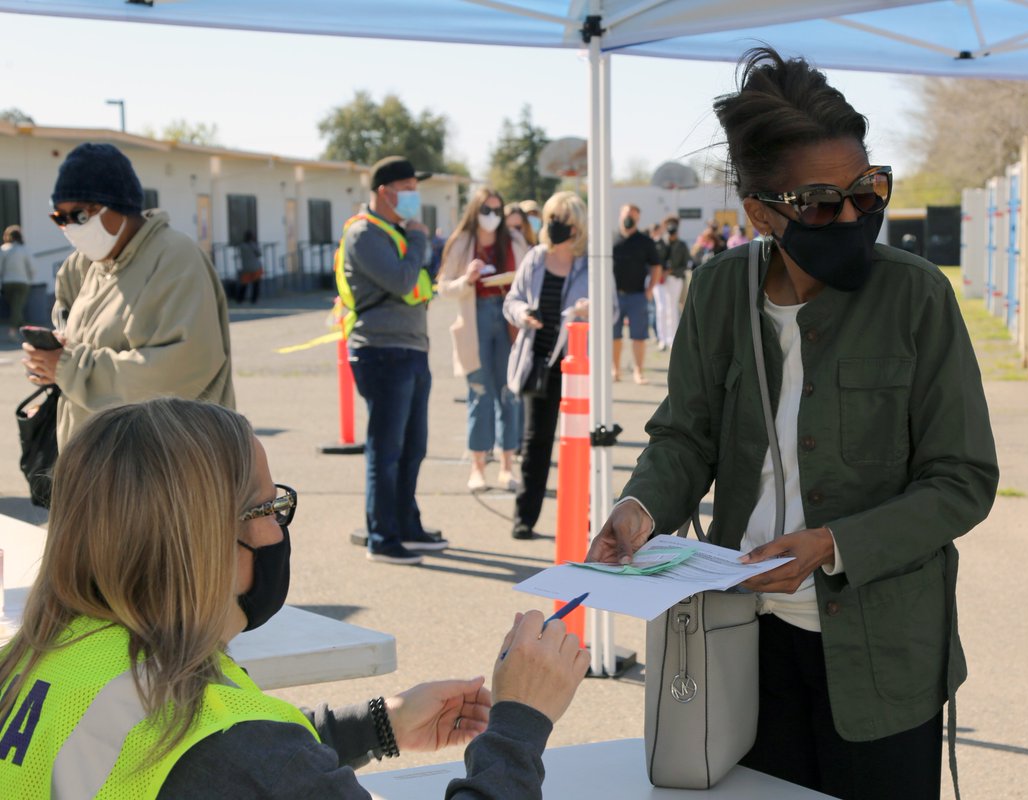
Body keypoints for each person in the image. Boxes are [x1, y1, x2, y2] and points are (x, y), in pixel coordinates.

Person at [586, 47, 998, 799]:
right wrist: (639, 508)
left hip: (883, 658)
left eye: (867, 192)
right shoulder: (716, 293)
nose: (850, 216)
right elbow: (685, 434)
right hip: (737, 642)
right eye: (819, 202)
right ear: (760, 212)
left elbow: (962, 481)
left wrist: (834, 545)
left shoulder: (918, 298)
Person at [0, 398, 590, 798]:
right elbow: (244, 763)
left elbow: (207, 762)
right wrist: (519, 724)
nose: (278, 532)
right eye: (267, 508)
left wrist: (379, 724)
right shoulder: (237, 746)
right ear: (204, 543)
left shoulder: (45, 658)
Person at [23, 142, 234, 447]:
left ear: (119, 206)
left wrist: (68, 368)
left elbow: (176, 376)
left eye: (80, 216)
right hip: (98, 465)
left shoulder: (175, 258)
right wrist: (50, 365)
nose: (70, 228)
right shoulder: (84, 266)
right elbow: (70, 339)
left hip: (167, 467)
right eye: (60, 218)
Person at [336, 155, 445, 565]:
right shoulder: (365, 234)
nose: (415, 195)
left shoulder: (396, 233)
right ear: (385, 191)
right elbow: (401, 280)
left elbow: (421, 281)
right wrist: (419, 239)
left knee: (413, 446)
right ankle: (381, 536)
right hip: (381, 352)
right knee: (386, 450)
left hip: (412, 348)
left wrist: (416, 242)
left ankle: (406, 524)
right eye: (409, 187)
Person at [504, 191, 594, 540]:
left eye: (563, 221)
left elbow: (611, 311)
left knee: (583, 445)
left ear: (578, 226)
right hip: (538, 363)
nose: (555, 226)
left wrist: (591, 310)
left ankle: (586, 514)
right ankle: (524, 517)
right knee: (535, 443)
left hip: (577, 368)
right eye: (551, 218)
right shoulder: (535, 258)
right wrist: (523, 314)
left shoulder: (590, 263)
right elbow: (512, 299)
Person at [437, 188, 530, 493]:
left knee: (509, 393)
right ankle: (478, 467)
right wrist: (467, 279)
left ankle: (507, 465)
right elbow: (444, 288)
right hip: (474, 320)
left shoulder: (514, 240)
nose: (492, 216)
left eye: (497, 210)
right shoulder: (461, 242)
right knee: (480, 393)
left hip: (508, 322)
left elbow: (532, 277)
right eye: (486, 210)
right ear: (475, 210)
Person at [611, 203, 662, 384]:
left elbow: (656, 266)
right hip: (614, 296)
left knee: (639, 336)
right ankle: (615, 370)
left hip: (638, 296)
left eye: (632, 214)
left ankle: (638, 372)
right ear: (620, 215)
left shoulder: (645, 241)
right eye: (626, 213)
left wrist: (650, 290)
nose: (628, 217)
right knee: (614, 335)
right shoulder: (611, 237)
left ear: (638, 218)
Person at [652, 215, 690, 351]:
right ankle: (662, 338)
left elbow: (686, 264)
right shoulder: (659, 243)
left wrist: (671, 270)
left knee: (672, 308)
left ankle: (672, 338)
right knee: (661, 308)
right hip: (659, 279)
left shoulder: (681, 245)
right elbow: (654, 260)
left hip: (675, 277)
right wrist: (661, 271)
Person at [1, 224, 34, 339]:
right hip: (22, 282)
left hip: (7, 282)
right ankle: (14, 331)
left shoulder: (3, 249)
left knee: (16, 307)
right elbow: (32, 267)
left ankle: (24, 331)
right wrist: (31, 279)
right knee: (17, 307)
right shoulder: (24, 249)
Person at [235, 229, 264, 305]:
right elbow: (259, 254)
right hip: (255, 268)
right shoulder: (253, 245)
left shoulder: (241, 246)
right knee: (256, 285)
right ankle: (254, 300)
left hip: (246, 268)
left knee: (244, 285)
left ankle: (240, 299)